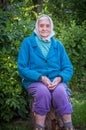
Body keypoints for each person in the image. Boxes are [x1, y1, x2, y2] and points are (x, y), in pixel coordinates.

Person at [18, 14, 74, 130]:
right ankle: (39, 127)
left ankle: (68, 126)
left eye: (47, 26)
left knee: (60, 93)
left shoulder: (58, 45)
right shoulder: (28, 43)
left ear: (51, 27)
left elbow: (68, 68)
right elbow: (22, 68)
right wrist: (41, 78)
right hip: (35, 81)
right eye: (41, 26)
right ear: (37, 27)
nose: (44, 29)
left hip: (56, 81)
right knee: (43, 92)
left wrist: (59, 78)